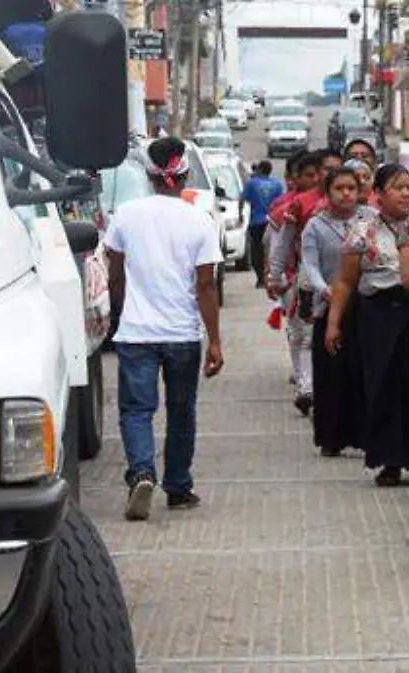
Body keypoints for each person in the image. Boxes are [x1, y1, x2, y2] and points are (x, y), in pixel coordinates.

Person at [104, 136, 224, 521]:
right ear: (184, 174)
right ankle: (178, 487)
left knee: (136, 411)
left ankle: (141, 472)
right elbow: (205, 286)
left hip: (137, 332)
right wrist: (215, 341)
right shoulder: (199, 220)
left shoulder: (126, 214)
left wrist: (120, 313)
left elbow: (115, 275)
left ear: (149, 175)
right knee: (181, 411)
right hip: (182, 334)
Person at [326, 164, 409, 486]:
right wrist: (333, 323)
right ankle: (390, 460)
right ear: (378, 193)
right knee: (382, 384)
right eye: (397, 187)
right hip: (378, 314)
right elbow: (345, 281)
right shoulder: (363, 231)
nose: (405, 194)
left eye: (408, 187)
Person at [302, 167, 377, 457]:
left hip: (367, 304)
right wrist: (325, 289)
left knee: (363, 372)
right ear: (328, 191)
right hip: (330, 306)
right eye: (339, 188)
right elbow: (310, 265)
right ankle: (331, 437)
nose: (346, 194)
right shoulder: (315, 226)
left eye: (351, 188)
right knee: (332, 375)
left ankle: (367, 435)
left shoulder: (371, 219)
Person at [269, 149, 344, 415]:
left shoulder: (358, 206)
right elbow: (283, 242)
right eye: (326, 169)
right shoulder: (300, 204)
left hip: (348, 282)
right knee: (306, 335)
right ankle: (306, 388)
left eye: (337, 168)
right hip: (308, 280)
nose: (331, 174)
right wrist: (275, 275)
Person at [241, 160, 284, 288]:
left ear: (259, 169)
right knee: (271, 249)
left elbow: (242, 200)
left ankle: (260, 278)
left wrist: (240, 214)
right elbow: (281, 202)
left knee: (256, 249)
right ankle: (270, 275)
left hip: (256, 221)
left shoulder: (251, 183)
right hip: (272, 221)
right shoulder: (277, 185)